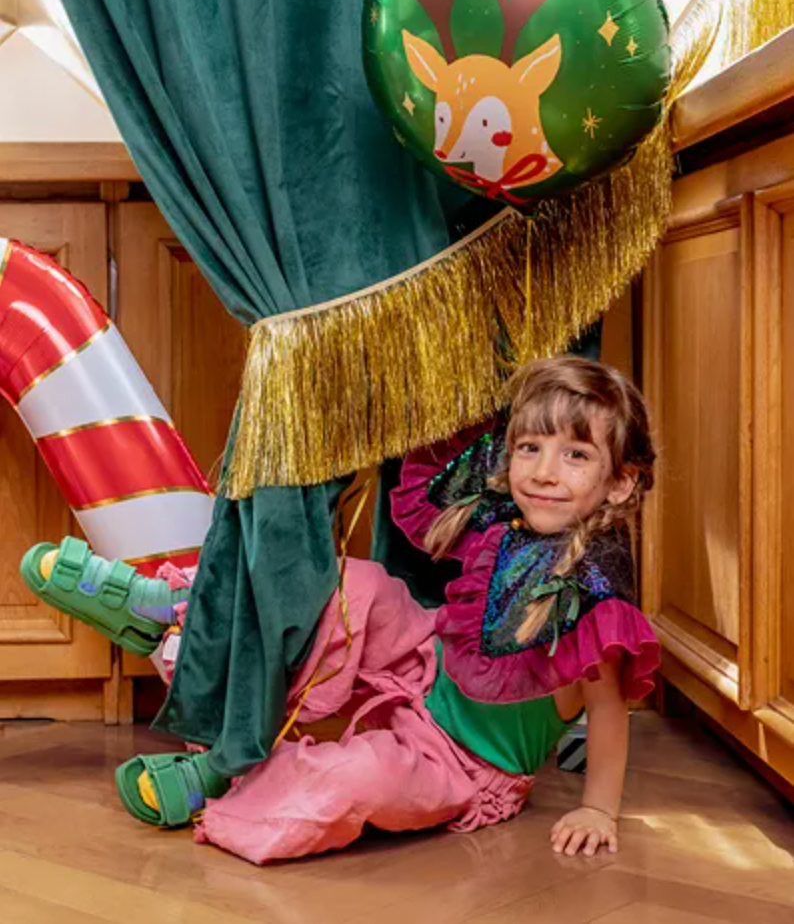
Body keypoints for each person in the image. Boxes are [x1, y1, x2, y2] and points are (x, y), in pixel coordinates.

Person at [21, 357, 660, 863]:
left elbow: (608, 711)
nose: (544, 471)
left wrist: (598, 809)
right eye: (530, 448)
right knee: (362, 585)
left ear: (621, 481)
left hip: (465, 763)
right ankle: (180, 610)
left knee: (360, 776)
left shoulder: (592, 597)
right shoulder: (504, 520)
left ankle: (223, 774)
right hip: (424, 664)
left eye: (576, 456)